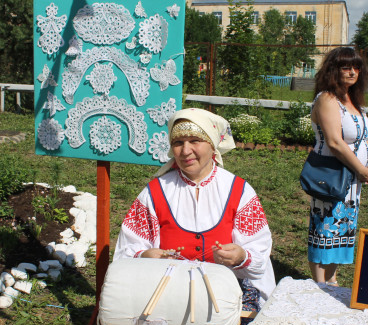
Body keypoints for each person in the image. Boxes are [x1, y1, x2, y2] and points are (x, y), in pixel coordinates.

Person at [113, 108, 276, 311]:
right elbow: (125, 253)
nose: (186, 150)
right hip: (167, 296)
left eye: (195, 141)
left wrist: (242, 256)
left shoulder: (239, 191)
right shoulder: (155, 193)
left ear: (212, 145)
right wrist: (145, 256)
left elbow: (258, 251)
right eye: (178, 143)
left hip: (225, 296)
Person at [306, 47, 368, 285]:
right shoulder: (327, 99)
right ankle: (320, 284)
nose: (352, 72)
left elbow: (363, 136)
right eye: (346, 67)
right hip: (332, 175)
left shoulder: (353, 100)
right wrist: (361, 168)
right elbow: (335, 141)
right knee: (325, 228)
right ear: (333, 70)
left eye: (356, 67)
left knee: (343, 229)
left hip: (353, 179)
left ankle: (332, 279)